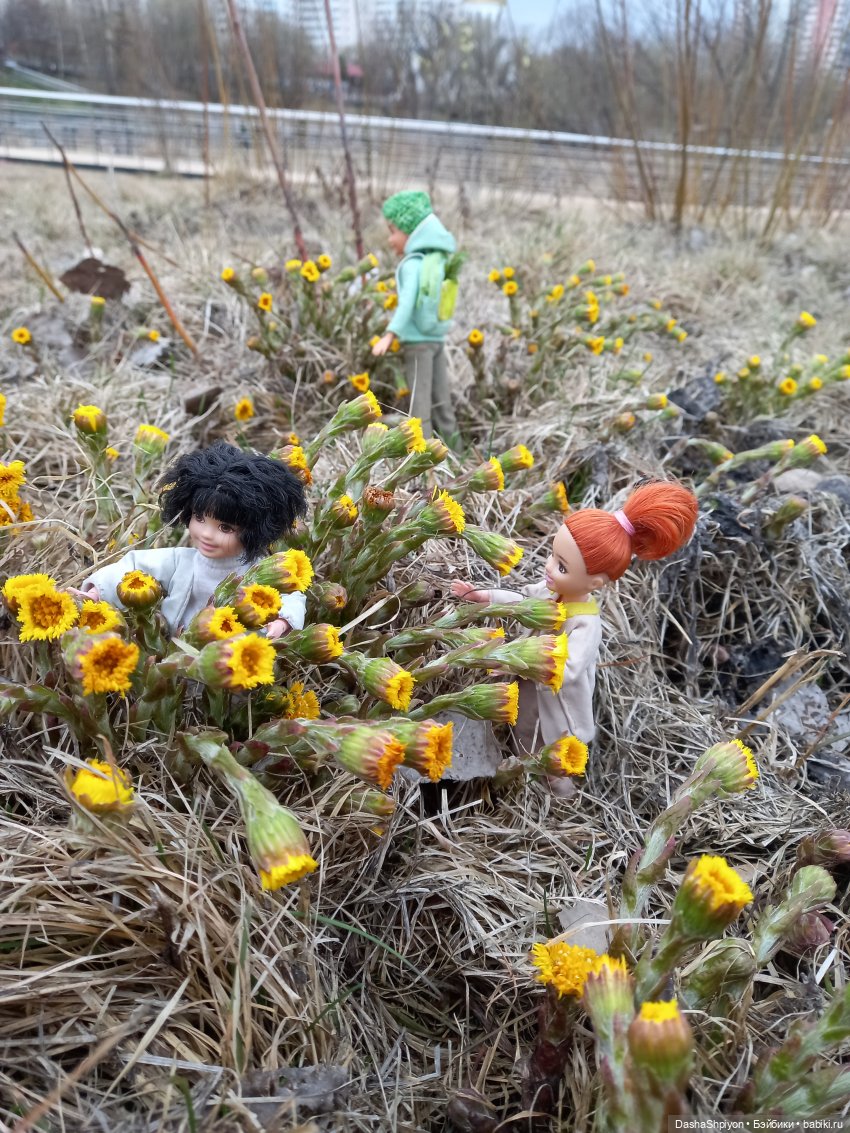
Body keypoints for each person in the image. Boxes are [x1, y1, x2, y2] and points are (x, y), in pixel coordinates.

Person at [451, 480, 698, 761]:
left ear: (595, 583)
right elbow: (523, 602)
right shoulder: (551, 592)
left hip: (556, 705)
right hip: (528, 684)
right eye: (552, 555)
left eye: (562, 566)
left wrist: (510, 661)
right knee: (523, 734)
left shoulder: (586, 625)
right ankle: (519, 770)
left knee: (549, 755)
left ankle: (551, 785)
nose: (549, 567)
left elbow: (566, 669)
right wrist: (486, 596)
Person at [76, 442, 308, 638]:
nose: (206, 534)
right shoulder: (181, 560)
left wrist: (283, 621)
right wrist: (97, 592)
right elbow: (133, 567)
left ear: (257, 531)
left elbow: (291, 596)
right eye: (199, 517)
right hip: (175, 642)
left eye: (225, 527)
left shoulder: (260, 571)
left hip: (232, 655)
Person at [371, 190, 459, 444]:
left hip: (418, 345)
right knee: (442, 401)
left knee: (419, 408)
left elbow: (407, 303)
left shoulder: (412, 264)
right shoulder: (435, 261)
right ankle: (457, 450)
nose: (390, 240)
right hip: (436, 339)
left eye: (393, 232)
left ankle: (423, 458)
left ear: (413, 233)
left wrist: (389, 335)